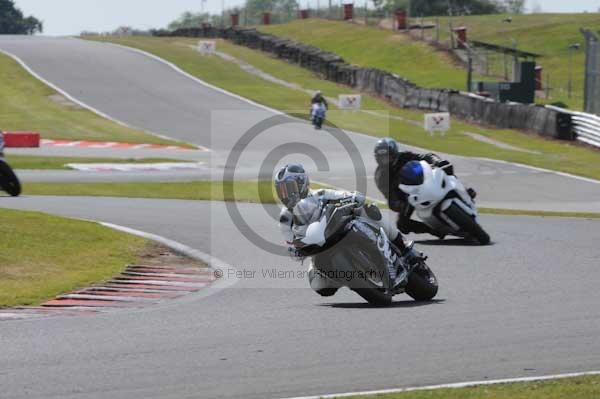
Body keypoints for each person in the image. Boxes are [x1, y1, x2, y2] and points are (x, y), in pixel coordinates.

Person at [275, 163, 422, 297]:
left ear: (301, 183)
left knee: (370, 210)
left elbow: (341, 195)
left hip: (340, 228)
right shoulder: (285, 218)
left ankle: (402, 244)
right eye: (281, 190)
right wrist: (295, 251)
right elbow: (291, 242)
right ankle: (350, 277)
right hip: (318, 247)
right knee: (319, 286)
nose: (285, 194)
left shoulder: (319, 194)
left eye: (288, 188)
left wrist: (352, 196)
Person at [374, 137, 476, 236]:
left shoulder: (404, 156)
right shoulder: (380, 177)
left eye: (387, 156)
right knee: (402, 225)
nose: (385, 160)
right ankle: (433, 229)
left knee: (445, 168)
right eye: (382, 157)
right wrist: (400, 204)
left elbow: (426, 156)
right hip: (408, 197)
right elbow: (390, 198)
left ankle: (464, 191)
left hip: (424, 181)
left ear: (394, 153)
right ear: (377, 158)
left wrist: (436, 162)